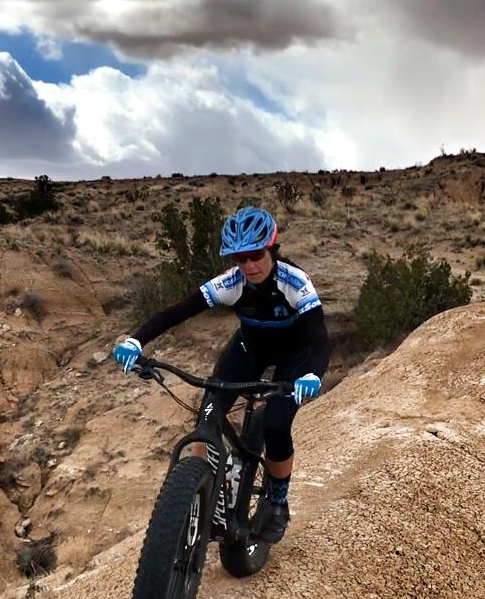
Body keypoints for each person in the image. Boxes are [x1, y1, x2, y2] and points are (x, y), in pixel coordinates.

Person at [112, 206, 329, 543]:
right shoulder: (231, 282)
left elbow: (319, 339)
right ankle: (197, 494)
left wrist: (313, 375)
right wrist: (135, 340)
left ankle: (277, 502)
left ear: (272, 249)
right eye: (239, 259)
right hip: (249, 350)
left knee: (275, 425)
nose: (249, 266)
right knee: (207, 416)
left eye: (255, 255)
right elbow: (176, 312)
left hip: (294, 355)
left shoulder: (294, 281)